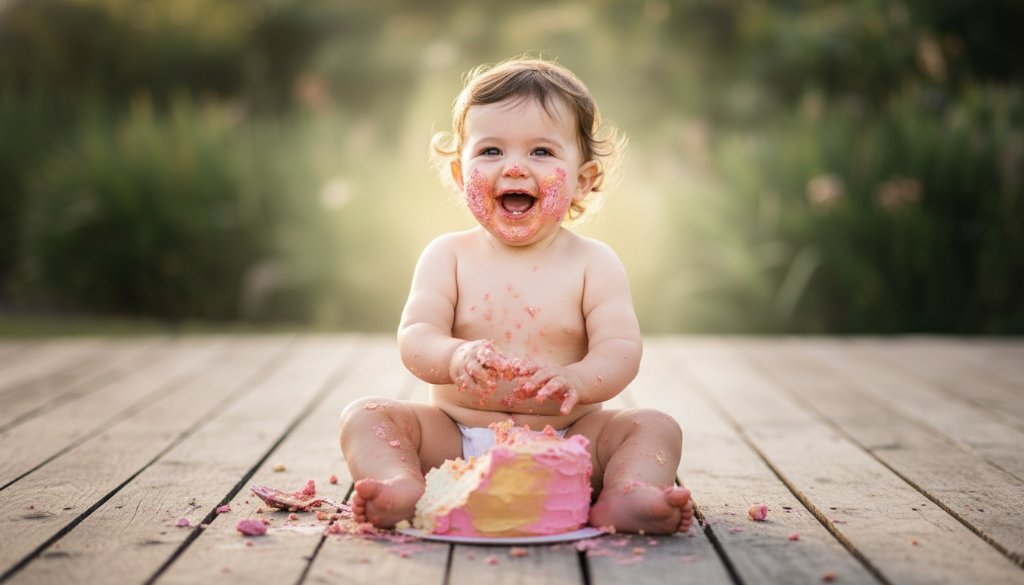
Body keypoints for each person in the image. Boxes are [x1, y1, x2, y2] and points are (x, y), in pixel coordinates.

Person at [339, 56, 693, 534]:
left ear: (583, 180)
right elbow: (416, 336)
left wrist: (577, 380)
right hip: (454, 442)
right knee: (365, 416)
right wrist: (453, 356)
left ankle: (627, 494)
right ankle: (402, 485)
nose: (514, 167)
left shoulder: (594, 263)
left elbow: (621, 349)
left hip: (570, 443)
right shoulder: (448, 256)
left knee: (654, 426)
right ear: (462, 177)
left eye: (542, 152)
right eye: (490, 151)